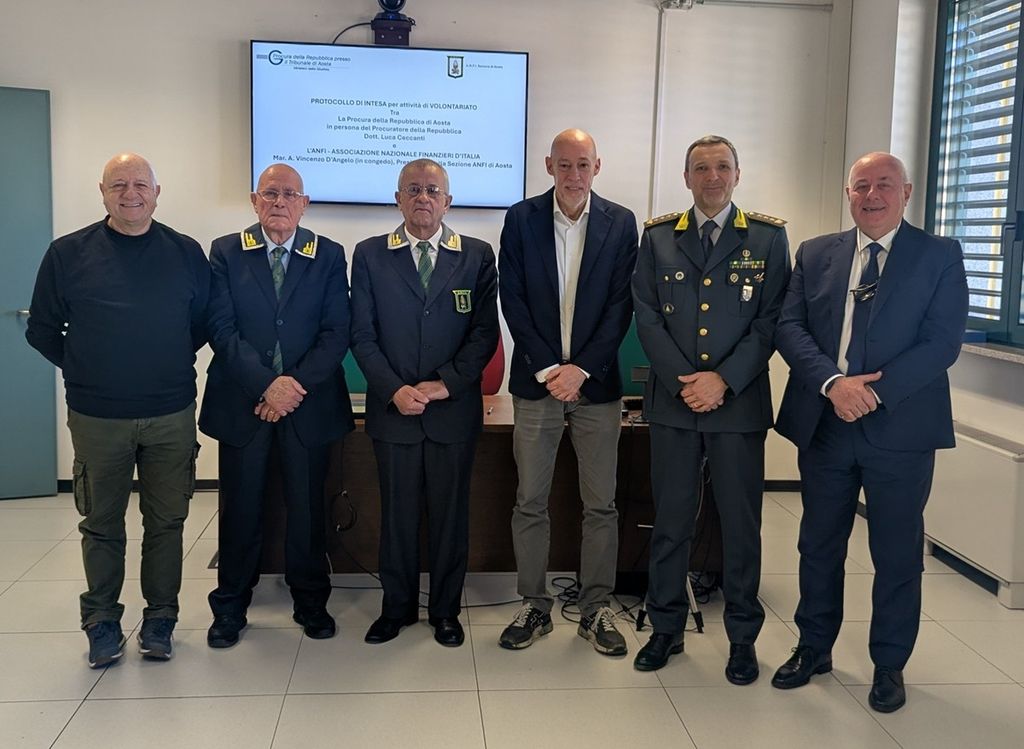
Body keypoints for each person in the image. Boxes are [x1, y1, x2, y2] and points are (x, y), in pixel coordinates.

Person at [771, 152, 968, 712]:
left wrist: (872, 393)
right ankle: (813, 647)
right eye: (862, 185)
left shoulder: (939, 255)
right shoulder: (815, 253)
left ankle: (889, 664)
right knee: (818, 544)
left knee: (897, 552)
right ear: (848, 194)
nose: (872, 195)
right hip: (826, 423)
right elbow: (789, 326)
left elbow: (942, 341)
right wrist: (834, 384)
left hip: (901, 429)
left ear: (906, 192)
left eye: (884, 184)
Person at [25, 153, 210, 667]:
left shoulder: (186, 252)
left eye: (140, 185)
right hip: (97, 415)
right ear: (102, 192)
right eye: (119, 185)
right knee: (101, 524)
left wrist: (162, 361)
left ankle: (160, 619)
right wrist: (86, 367)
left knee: (167, 522)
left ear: (157, 192)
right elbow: (41, 330)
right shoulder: (67, 254)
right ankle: (101, 621)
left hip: (170, 412)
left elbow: (201, 324)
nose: (131, 194)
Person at [631, 135, 790, 677]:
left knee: (741, 526)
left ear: (737, 175)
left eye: (722, 167)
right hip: (675, 405)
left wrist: (722, 380)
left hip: (737, 404)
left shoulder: (767, 237)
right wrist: (686, 383)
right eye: (701, 168)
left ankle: (742, 638)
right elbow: (647, 316)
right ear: (686, 177)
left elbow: (771, 321)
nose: (713, 176)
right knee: (671, 521)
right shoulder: (658, 237)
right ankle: (666, 629)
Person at [200, 163, 354, 648]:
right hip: (244, 403)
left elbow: (337, 331)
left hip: (308, 405)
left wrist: (291, 388)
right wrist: (268, 386)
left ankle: (310, 602)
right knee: (240, 510)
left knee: (307, 510)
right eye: (270, 193)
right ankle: (230, 606)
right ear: (254, 200)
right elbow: (221, 329)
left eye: (290, 194)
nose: (280, 202)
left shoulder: (328, 254)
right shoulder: (226, 251)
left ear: (304, 204)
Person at [498, 129, 638, 656]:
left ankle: (595, 606)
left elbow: (621, 306)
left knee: (600, 504)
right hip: (536, 384)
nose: (573, 174)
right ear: (548, 166)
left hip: (596, 387)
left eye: (583, 164)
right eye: (564, 164)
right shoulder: (521, 218)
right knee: (529, 501)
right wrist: (550, 369)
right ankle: (534, 604)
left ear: (597, 167)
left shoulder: (621, 222)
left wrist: (580, 370)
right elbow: (512, 299)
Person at [350, 158, 498, 647]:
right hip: (394, 410)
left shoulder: (476, 256)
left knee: (450, 517)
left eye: (433, 190)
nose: (423, 198)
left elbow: (484, 334)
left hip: (451, 412)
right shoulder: (370, 254)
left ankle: (445, 612)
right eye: (413, 189)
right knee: (397, 516)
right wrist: (394, 389)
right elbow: (361, 334)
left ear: (447, 201)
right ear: (397, 199)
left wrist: (445, 384)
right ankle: (396, 608)